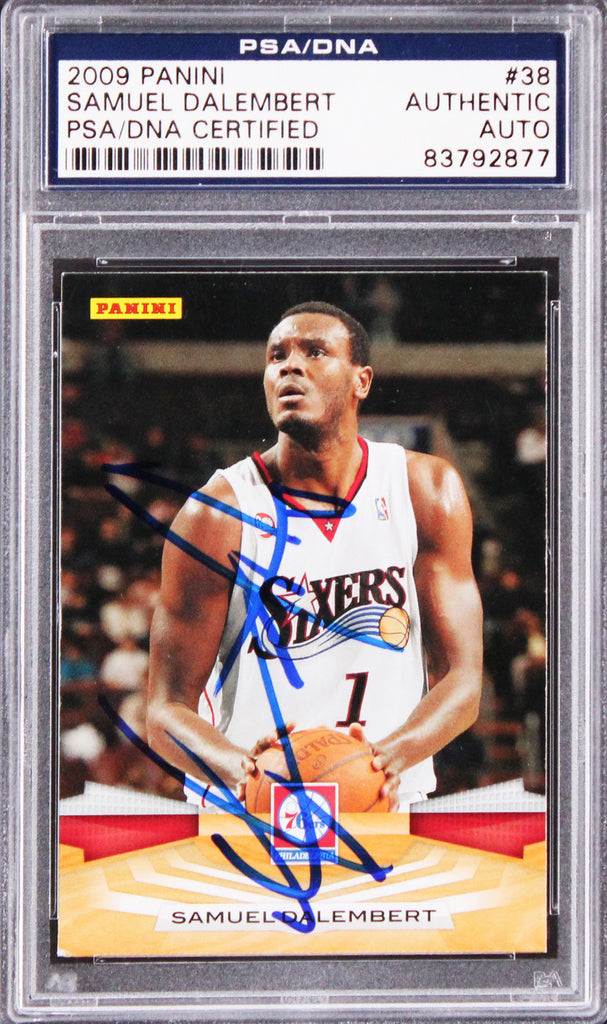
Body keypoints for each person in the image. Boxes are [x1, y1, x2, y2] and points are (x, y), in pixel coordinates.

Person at [147, 302, 483, 811]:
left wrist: (390, 758)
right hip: (252, 811)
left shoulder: (426, 491)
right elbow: (165, 711)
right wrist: (242, 768)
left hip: (388, 803)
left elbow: (463, 680)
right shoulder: (216, 516)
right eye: (277, 355)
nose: (290, 366)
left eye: (315, 352)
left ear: (361, 381)